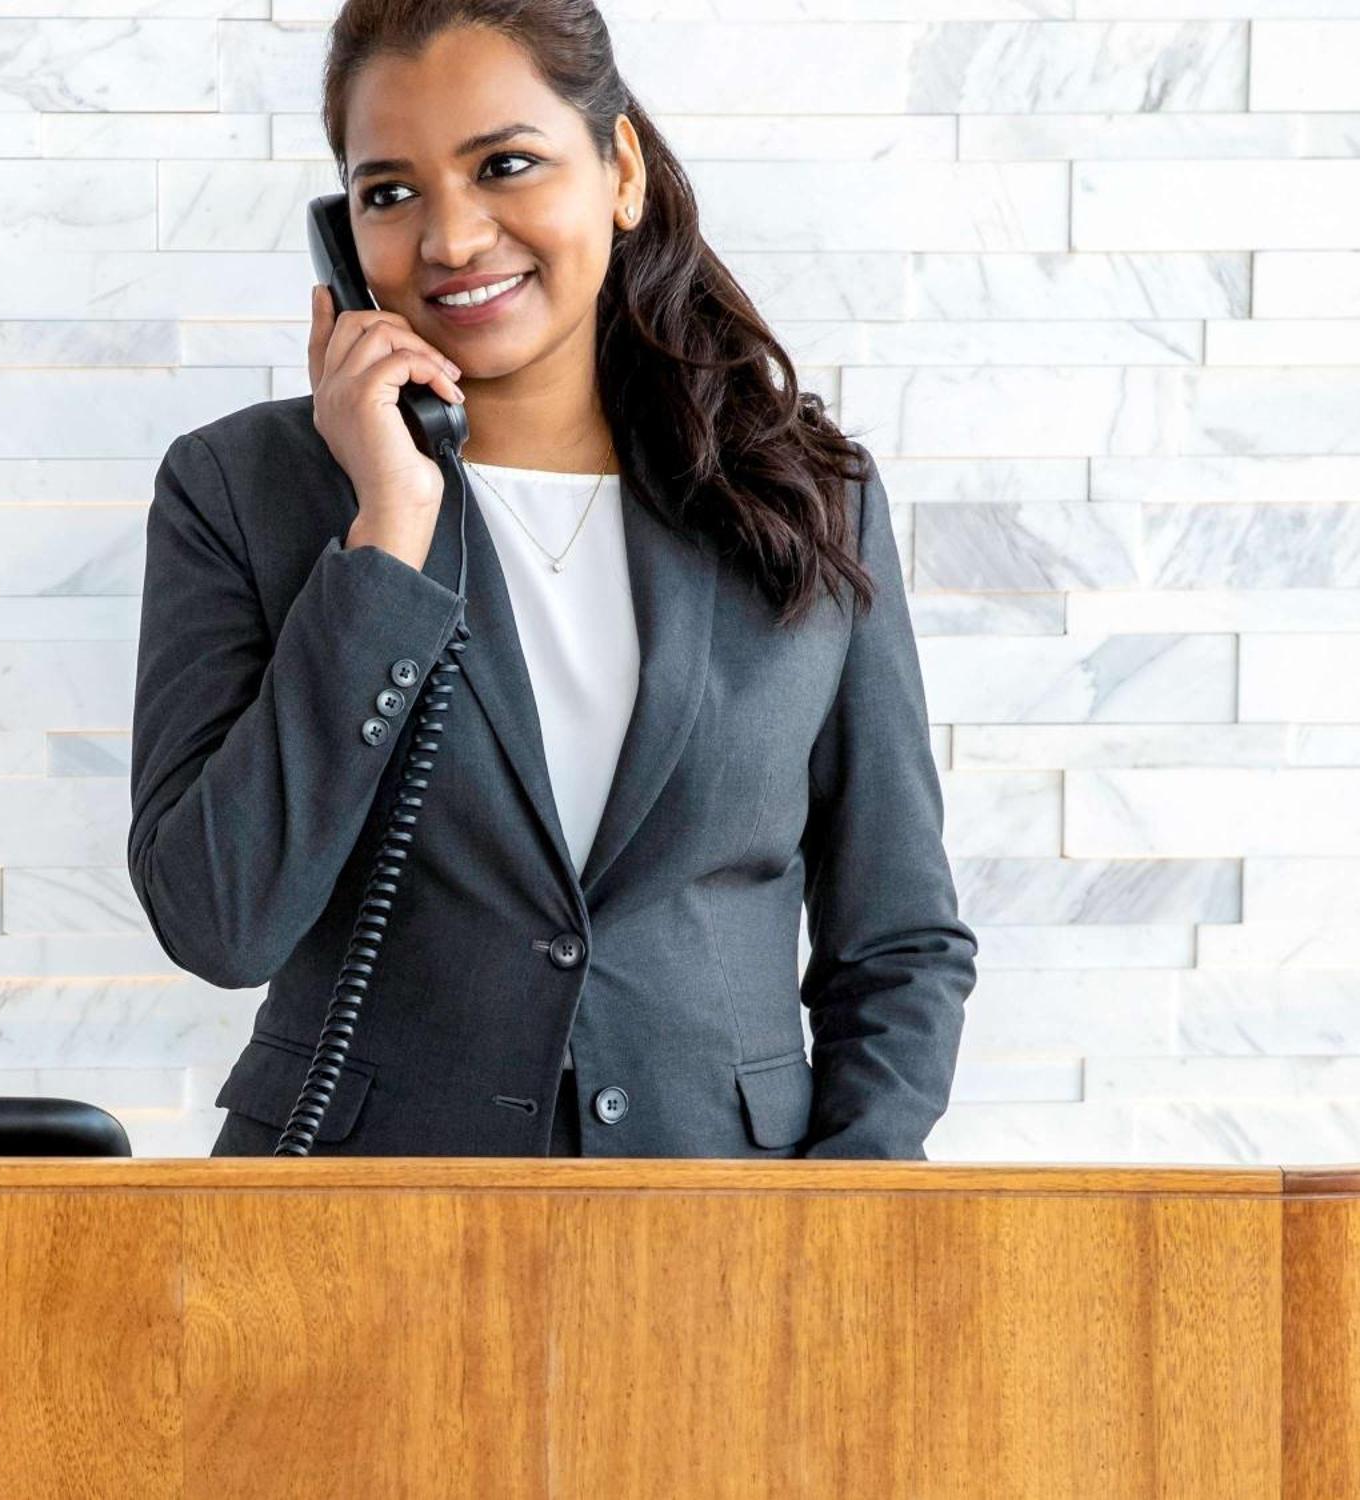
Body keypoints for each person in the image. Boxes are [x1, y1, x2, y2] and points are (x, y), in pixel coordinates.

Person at [128, 0, 977, 1160]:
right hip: (353, 1237)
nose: (452, 238)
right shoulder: (239, 490)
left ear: (618, 170)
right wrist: (388, 527)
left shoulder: (803, 495)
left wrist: (842, 1222)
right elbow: (219, 921)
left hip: (716, 1236)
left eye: (506, 165)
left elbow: (898, 937)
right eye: (389, 192)